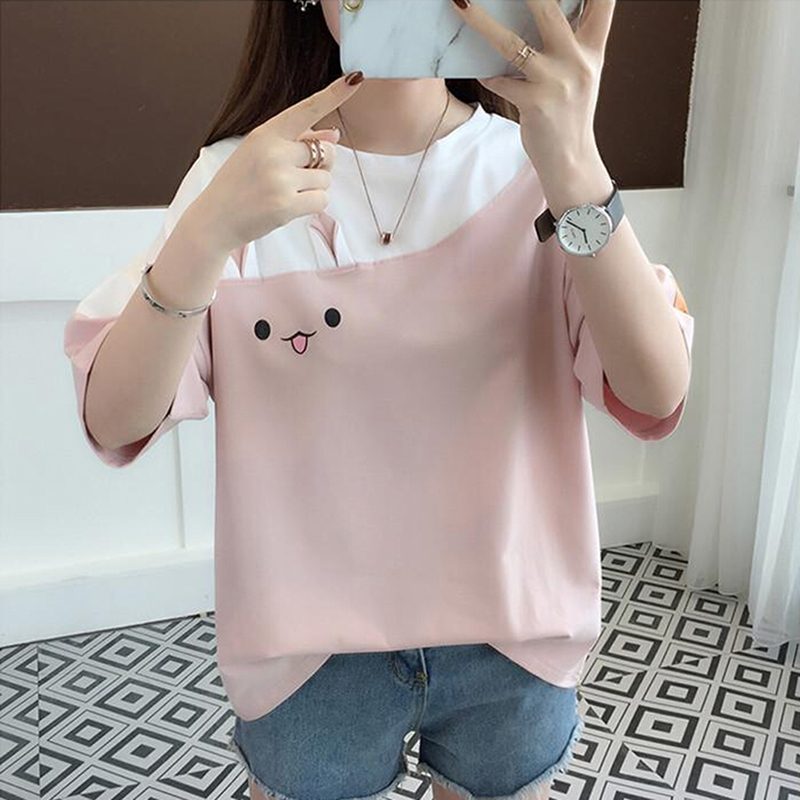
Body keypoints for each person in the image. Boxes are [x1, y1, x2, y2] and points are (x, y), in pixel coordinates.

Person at [63, 2, 694, 800]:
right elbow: (115, 418)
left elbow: (656, 391)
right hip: (308, 656)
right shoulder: (239, 181)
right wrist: (205, 234)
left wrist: (577, 168)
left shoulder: (538, 163)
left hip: (515, 639)